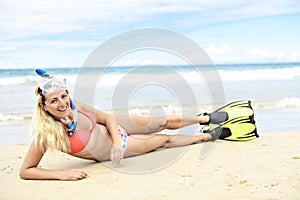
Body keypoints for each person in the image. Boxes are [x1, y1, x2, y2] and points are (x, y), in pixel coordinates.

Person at [19, 70, 218, 181]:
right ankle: (207, 136)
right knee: (161, 140)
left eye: (64, 96)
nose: (62, 104)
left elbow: (106, 118)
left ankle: (205, 119)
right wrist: (61, 174)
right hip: (116, 150)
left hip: (115, 133)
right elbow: (26, 170)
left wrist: (115, 140)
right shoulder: (45, 135)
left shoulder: (76, 105)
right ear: (43, 106)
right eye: (54, 101)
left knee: (160, 121)